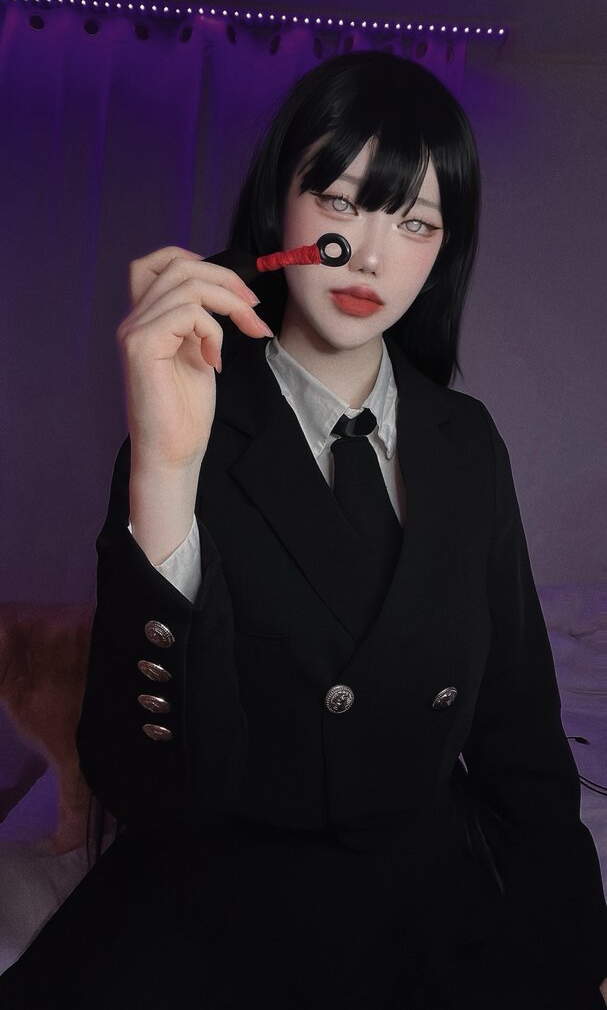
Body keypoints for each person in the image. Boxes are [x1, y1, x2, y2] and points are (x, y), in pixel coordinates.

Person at [1, 50, 606, 1008]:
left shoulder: (466, 443)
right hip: (220, 916)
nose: (370, 255)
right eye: (339, 202)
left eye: (414, 222)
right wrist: (165, 467)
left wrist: (576, 949)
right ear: (277, 207)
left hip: (422, 905)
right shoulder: (182, 432)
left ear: (441, 252)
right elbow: (148, 791)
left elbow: (521, 741)